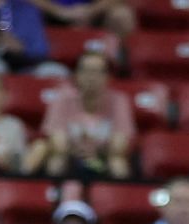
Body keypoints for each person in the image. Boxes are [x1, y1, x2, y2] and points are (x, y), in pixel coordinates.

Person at [28, 49, 130, 178]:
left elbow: (119, 146)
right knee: (57, 158)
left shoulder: (119, 101)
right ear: (76, 75)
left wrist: (95, 152)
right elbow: (58, 143)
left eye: (97, 72)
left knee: (117, 161)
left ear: (107, 77)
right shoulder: (62, 98)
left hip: (102, 159)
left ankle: (118, 196)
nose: (91, 77)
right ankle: (55, 194)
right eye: (86, 71)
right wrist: (78, 150)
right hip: (70, 157)